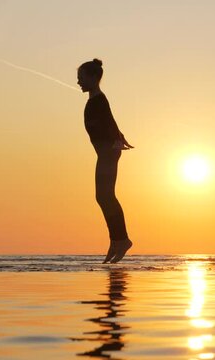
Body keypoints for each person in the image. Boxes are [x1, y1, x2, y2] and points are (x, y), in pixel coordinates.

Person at [77, 58, 134, 264]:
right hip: (105, 153)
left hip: (109, 152)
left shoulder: (99, 100)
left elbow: (109, 122)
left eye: (81, 78)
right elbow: (111, 120)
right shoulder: (96, 100)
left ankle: (122, 240)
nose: (78, 82)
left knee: (105, 195)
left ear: (93, 78)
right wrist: (120, 135)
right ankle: (115, 240)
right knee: (102, 197)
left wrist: (117, 140)